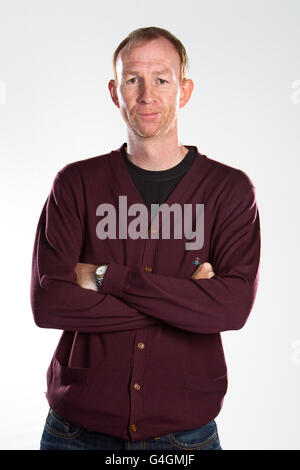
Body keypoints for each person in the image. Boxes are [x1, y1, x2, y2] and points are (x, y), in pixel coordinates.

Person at [30, 26, 261, 451]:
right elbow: (49, 304)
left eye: (161, 79)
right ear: (115, 92)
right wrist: (185, 302)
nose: (146, 94)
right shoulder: (76, 183)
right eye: (132, 79)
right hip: (75, 432)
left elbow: (232, 307)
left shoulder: (229, 190)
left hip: (185, 437)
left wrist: (105, 278)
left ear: (184, 91)